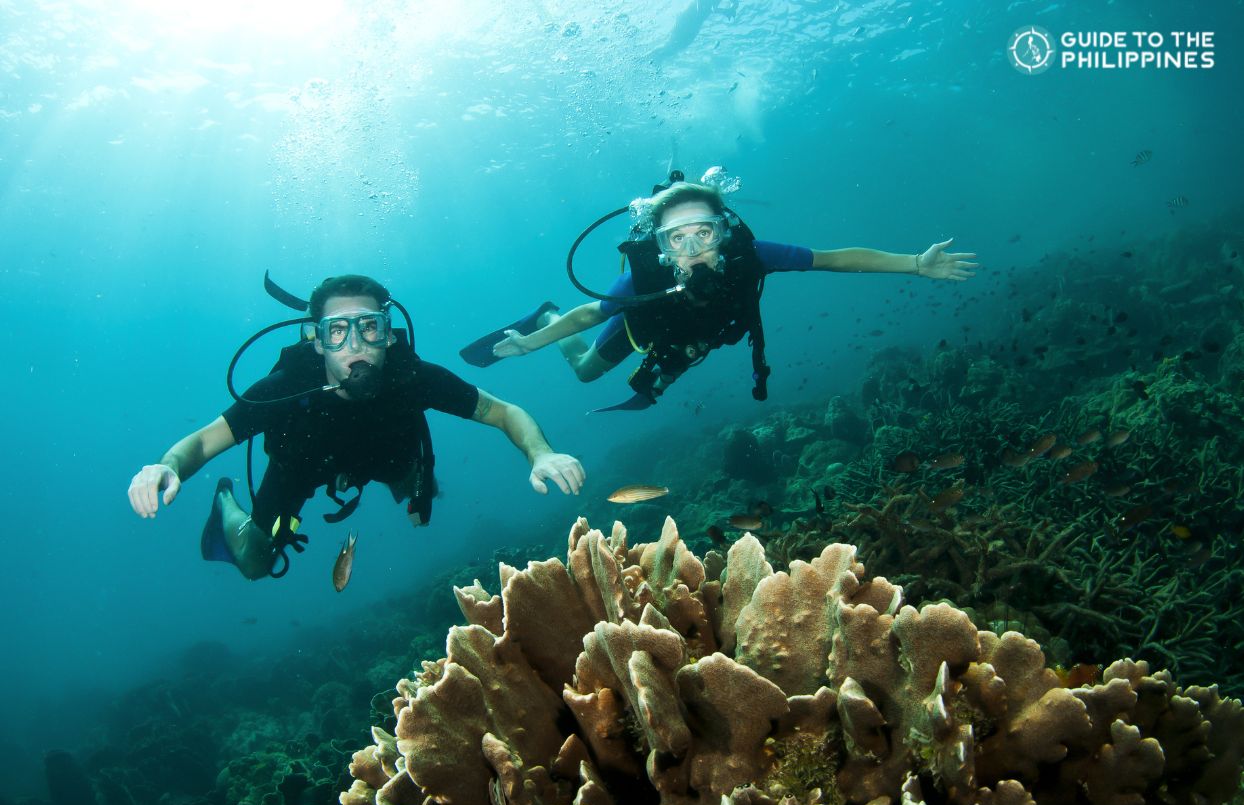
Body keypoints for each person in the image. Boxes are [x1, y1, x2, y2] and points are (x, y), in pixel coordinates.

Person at [128, 274, 585, 581]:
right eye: (337, 332)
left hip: (387, 453)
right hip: (301, 466)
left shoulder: (413, 378)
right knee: (254, 564)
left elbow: (504, 412)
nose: (355, 346)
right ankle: (228, 503)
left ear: (388, 333)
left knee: (419, 490)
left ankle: (404, 483)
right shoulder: (284, 389)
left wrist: (540, 453)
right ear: (317, 340)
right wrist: (167, 467)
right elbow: (205, 440)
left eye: (369, 328)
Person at [461, 181, 977, 410]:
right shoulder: (645, 279)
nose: (691, 249)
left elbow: (835, 257)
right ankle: (541, 313)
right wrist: (535, 341)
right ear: (660, 245)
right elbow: (590, 314)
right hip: (646, 327)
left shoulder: (752, 253)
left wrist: (914, 264)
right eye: (675, 238)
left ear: (722, 231)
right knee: (586, 372)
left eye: (702, 233)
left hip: (694, 339)